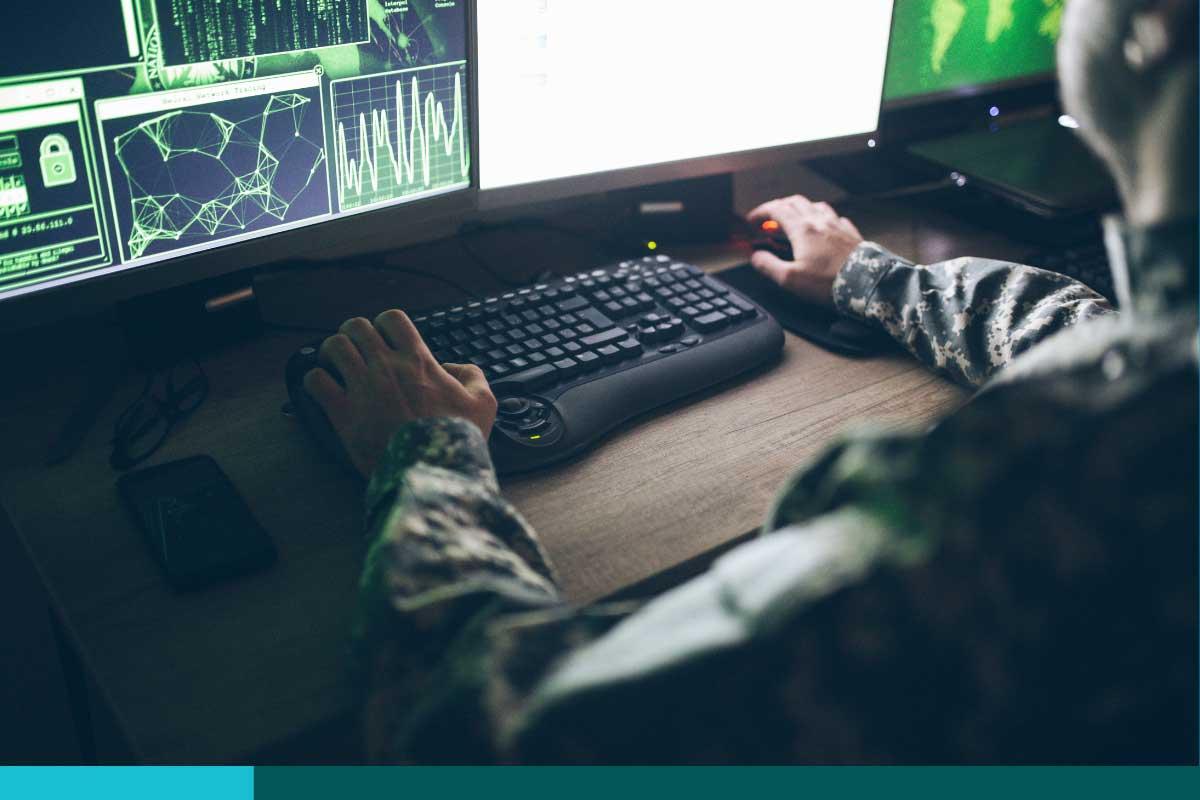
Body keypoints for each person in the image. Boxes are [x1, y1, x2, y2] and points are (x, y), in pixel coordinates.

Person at [303, 0, 1197, 763]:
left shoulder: (1035, 502)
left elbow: (480, 735)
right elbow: (1102, 334)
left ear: (1146, 33)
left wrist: (423, 456)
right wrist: (872, 277)